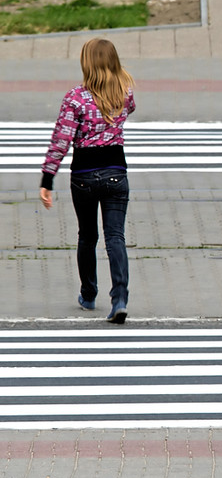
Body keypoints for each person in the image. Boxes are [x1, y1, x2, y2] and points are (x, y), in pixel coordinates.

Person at [40, 38, 136, 324]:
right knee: (115, 236)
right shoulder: (124, 93)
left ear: (87, 63)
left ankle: (88, 293)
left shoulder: (75, 98)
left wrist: (47, 179)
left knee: (87, 235)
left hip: (83, 175)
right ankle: (119, 298)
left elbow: (61, 140)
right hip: (117, 172)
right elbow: (129, 110)